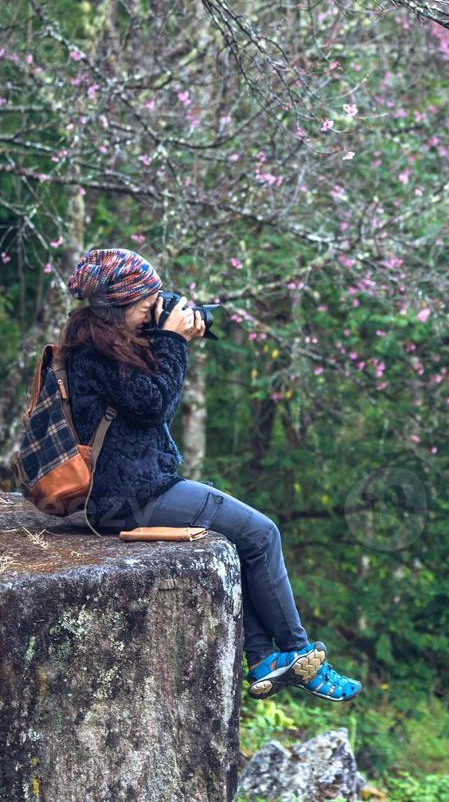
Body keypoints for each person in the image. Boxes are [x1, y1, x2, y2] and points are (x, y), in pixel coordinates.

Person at [59, 247, 360, 703]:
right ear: (116, 310)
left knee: (238, 540)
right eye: (145, 308)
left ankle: (263, 658)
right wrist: (174, 341)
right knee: (261, 534)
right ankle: (299, 654)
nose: (151, 316)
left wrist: (171, 321)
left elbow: (148, 381)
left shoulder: (103, 340)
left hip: (132, 489)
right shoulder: (96, 357)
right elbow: (155, 402)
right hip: (129, 497)